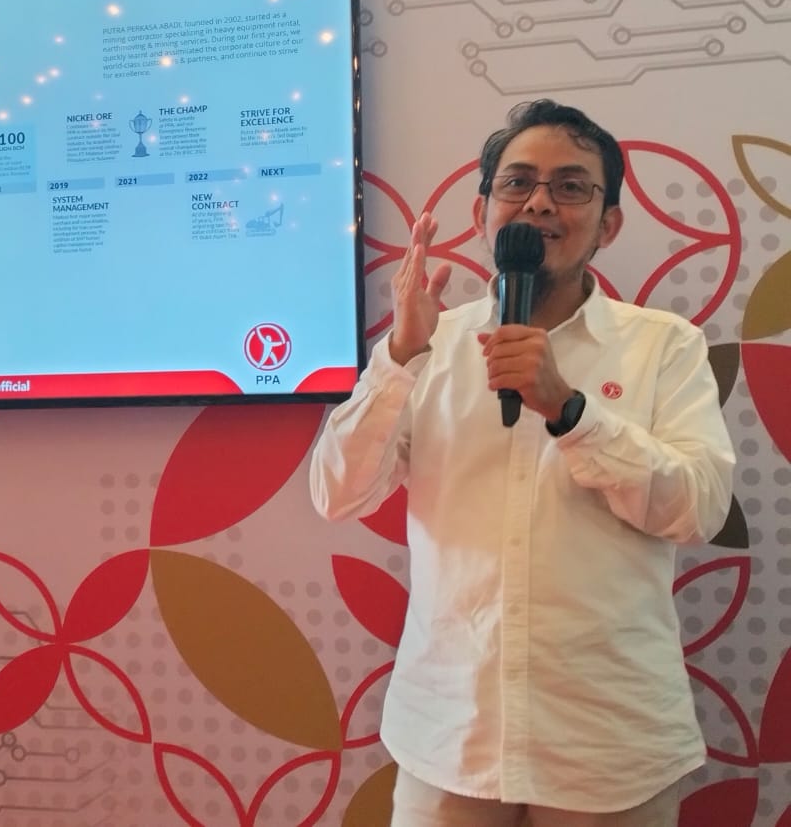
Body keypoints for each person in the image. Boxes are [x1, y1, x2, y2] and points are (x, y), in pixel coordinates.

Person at [309, 100, 735, 826]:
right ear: (483, 214)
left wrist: (570, 410)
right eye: (517, 183)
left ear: (608, 224)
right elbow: (336, 493)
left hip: (605, 742)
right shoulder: (428, 343)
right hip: (452, 734)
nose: (539, 201)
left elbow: (698, 509)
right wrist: (400, 358)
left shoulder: (665, 345)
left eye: (570, 186)